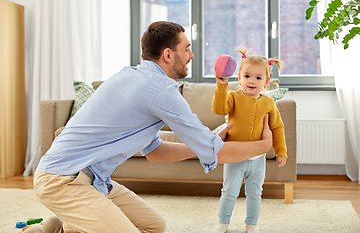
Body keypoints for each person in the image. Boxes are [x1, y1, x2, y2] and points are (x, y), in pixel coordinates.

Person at [29, 22, 273, 233]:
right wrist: (262, 146)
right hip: (62, 180)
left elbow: (155, 152)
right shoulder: (160, 90)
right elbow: (216, 152)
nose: (192, 55)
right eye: (186, 48)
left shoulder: (133, 77)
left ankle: (58, 227)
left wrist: (203, 144)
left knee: (154, 226)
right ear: (168, 54)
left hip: (93, 180)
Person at [210, 48, 287, 233]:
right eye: (247, 76)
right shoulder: (233, 97)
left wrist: (281, 150)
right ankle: (223, 224)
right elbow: (219, 109)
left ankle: (251, 225)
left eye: (258, 78)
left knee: (255, 194)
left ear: (266, 82)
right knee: (229, 192)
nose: (252, 81)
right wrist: (221, 85)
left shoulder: (269, 103)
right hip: (234, 156)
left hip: (258, 159)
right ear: (239, 77)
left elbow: (277, 128)